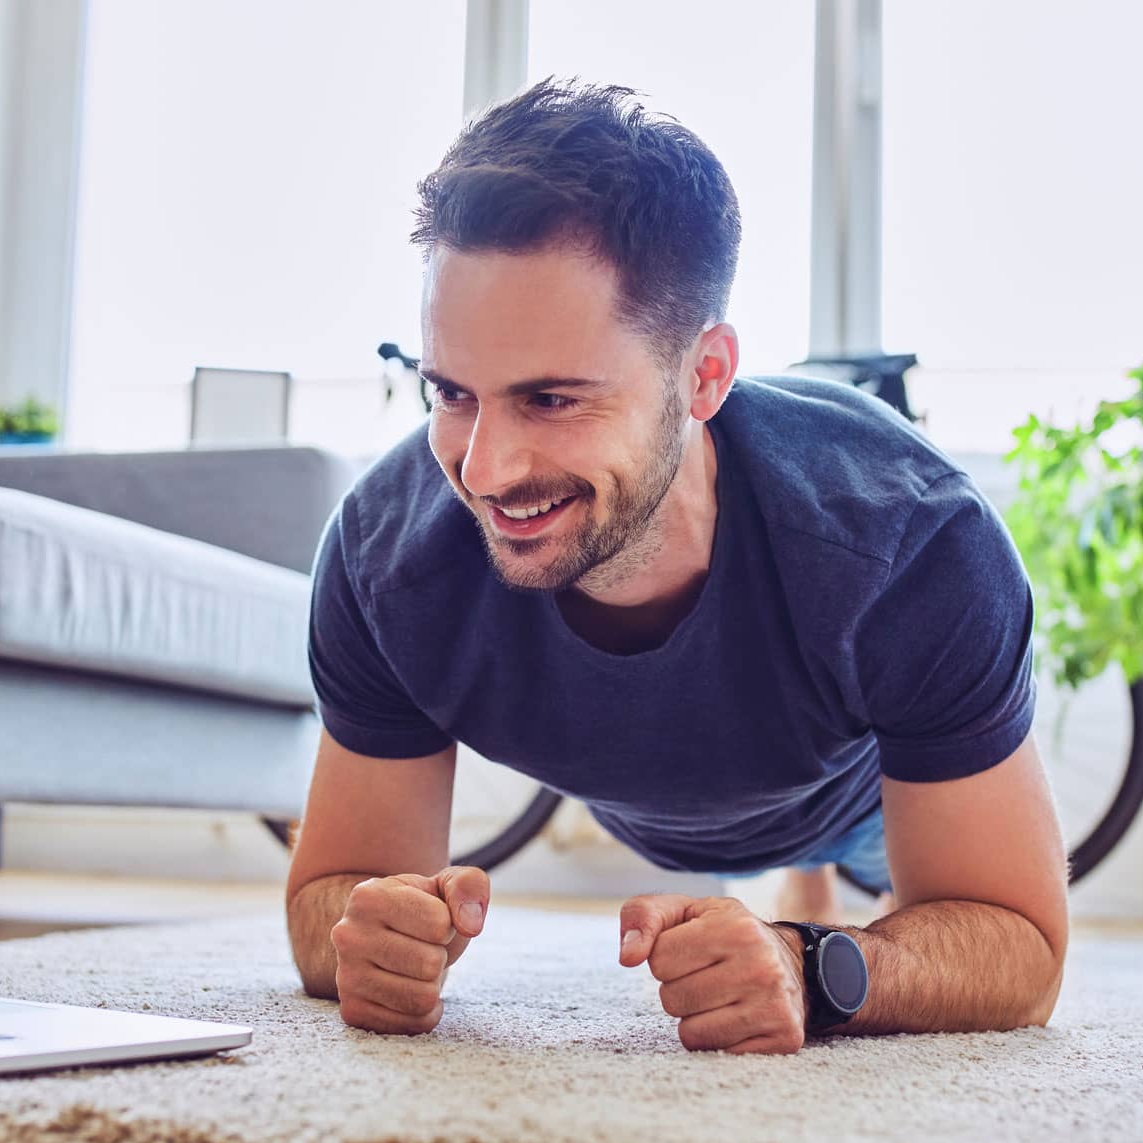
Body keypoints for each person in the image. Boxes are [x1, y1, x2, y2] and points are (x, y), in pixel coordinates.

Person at [284, 79, 1068, 1054]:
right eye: (450, 392)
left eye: (552, 400)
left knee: (862, 874)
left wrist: (805, 960)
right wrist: (366, 936)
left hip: (855, 793)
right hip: (644, 808)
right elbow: (332, 895)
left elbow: (1019, 949)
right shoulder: (384, 557)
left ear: (702, 377)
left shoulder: (911, 548)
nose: (482, 471)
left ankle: (809, 882)